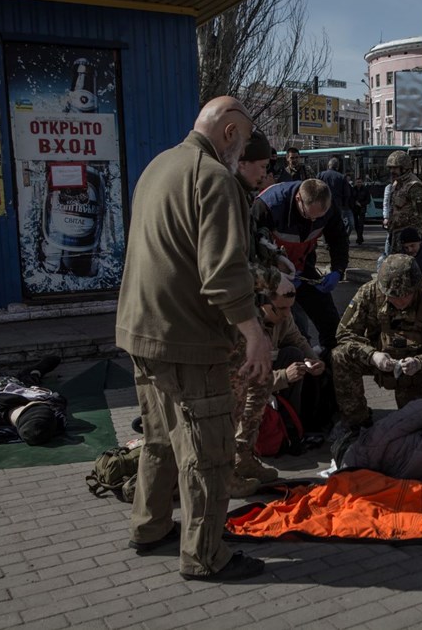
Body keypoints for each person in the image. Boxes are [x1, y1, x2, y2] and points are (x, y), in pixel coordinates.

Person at [115, 96, 269, 581]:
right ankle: (205, 554)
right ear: (228, 132)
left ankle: (149, 525)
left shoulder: (159, 165)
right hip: (186, 338)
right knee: (208, 452)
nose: (241, 152)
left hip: (141, 330)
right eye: (242, 142)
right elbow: (223, 274)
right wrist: (254, 334)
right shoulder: (214, 177)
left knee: (160, 439)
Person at [330, 254, 422, 435]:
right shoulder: (368, 293)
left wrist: (419, 362)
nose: (400, 301)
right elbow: (345, 334)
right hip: (378, 358)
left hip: (413, 370)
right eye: (393, 296)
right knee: (340, 355)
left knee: (416, 426)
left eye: (406, 295)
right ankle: (355, 419)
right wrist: (372, 355)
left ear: (416, 288)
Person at [232, 276, 325, 496]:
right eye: (280, 308)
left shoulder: (283, 315)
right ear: (262, 303)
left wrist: (313, 359)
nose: (286, 314)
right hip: (234, 389)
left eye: (289, 308)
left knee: (294, 354)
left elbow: (297, 339)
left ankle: (246, 455)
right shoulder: (243, 326)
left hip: (260, 377)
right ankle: (229, 467)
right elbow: (241, 382)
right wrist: (284, 376)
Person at [252, 177, 349, 354]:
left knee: (332, 326)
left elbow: (338, 239)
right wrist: (275, 275)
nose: (313, 221)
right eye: (308, 215)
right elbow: (252, 251)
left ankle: (328, 365)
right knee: (291, 331)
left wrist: (338, 270)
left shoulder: (327, 207)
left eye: (319, 217)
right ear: (298, 199)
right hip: (271, 278)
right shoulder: (267, 206)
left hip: (303, 269)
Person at [384, 150, 422, 254]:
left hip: (408, 237)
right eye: (390, 168)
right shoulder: (396, 184)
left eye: (395, 168)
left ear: (404, 168)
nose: (392, 171)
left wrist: (413, 239)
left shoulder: (414, 185)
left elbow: (420, 215)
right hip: (395, 233)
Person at [317, 157, 354, 236]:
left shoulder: (320, 175)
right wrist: (344, 206)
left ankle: (326, 242)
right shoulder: (341, 177)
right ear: (337, 167)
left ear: (328, 165)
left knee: (325, 225)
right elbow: (347, 194)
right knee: (336, 225)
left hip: (323, 205)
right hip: (337, 206)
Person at [349, 177, 370, 244]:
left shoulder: (365, 189)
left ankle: (359, 238)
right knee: (356, 224)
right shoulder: (353, 189)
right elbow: (350, 198)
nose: (359, 183)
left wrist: (361, 204)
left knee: (361, 224)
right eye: (357, 182)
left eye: (360, 182)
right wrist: (354, 203)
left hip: (362, 208)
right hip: (354, 209)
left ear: (362, 182)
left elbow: (368, 200)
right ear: (355, 182)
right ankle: (360, 237)